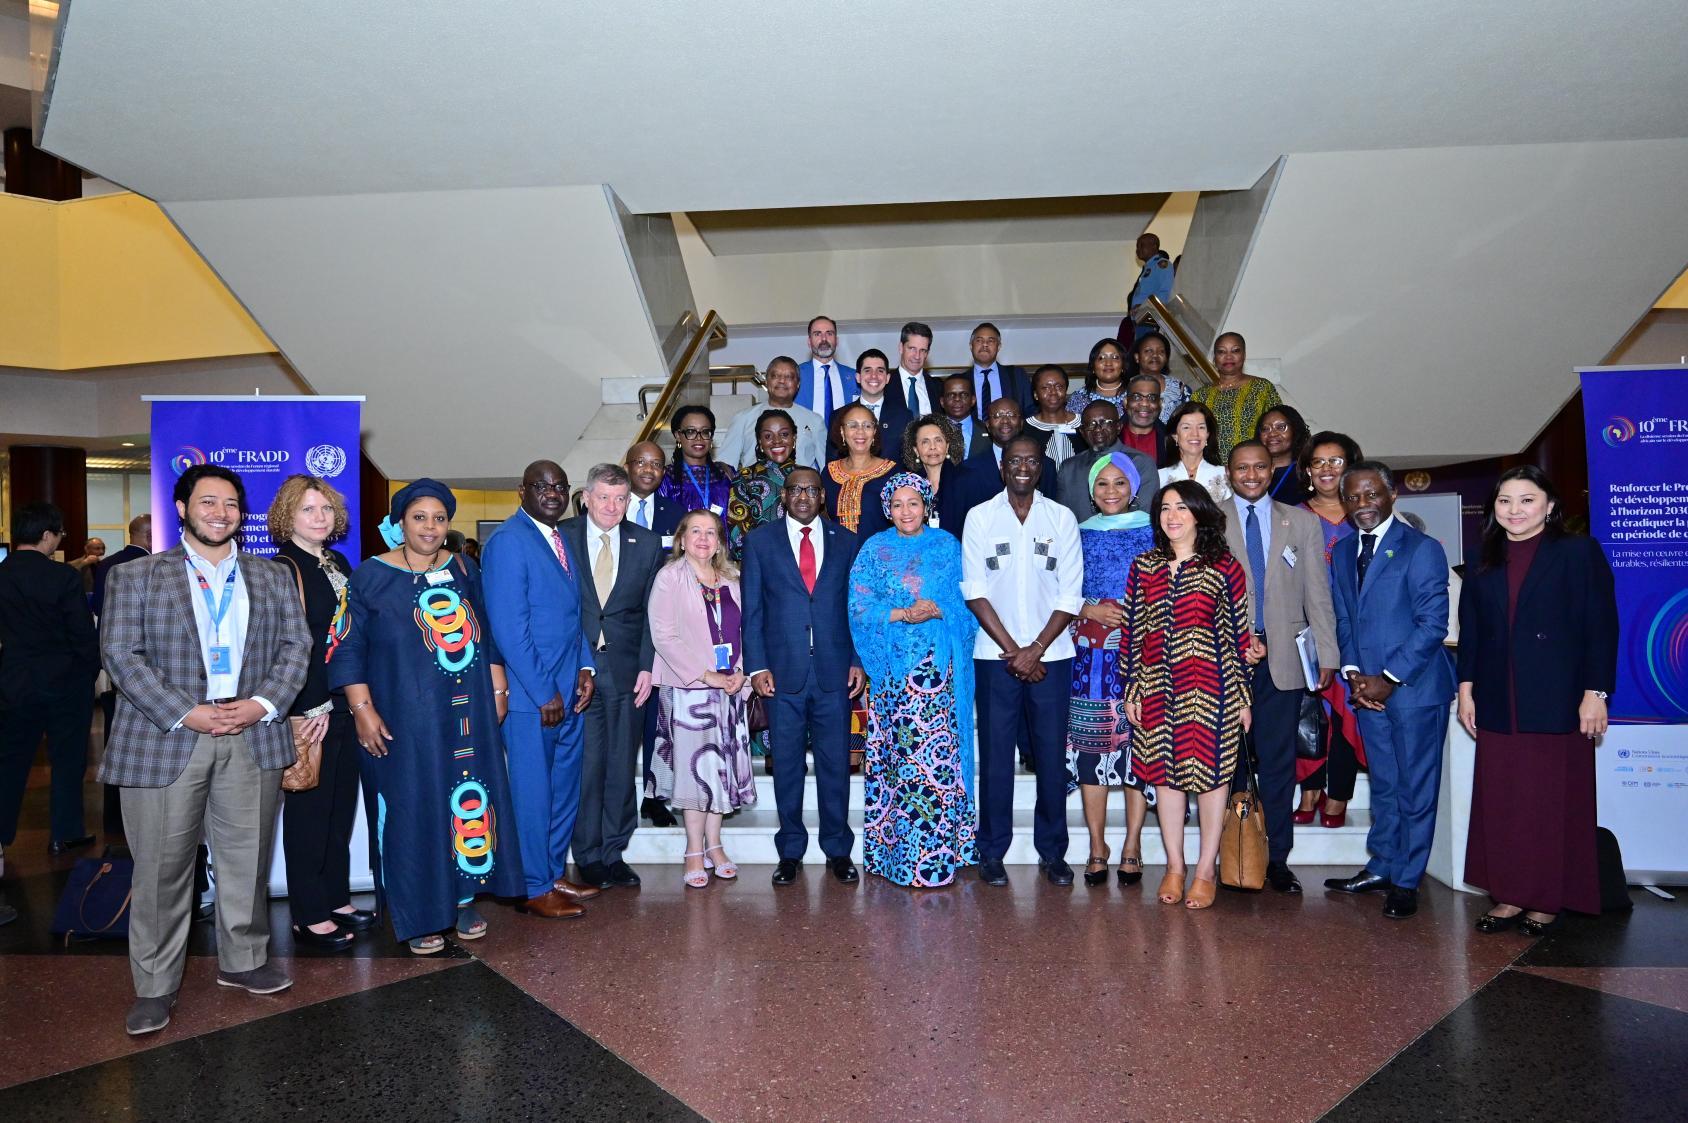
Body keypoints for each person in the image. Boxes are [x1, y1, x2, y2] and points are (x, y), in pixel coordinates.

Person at [99, 465, 310, 1035]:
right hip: (166, 736)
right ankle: (154, 987)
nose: (221, 513)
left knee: (247, 860)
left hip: (250, 732)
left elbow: (297, 646)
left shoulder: (269, 577)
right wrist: (184, 711)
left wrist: (264, 703)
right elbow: (122, 655)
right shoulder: (137, 576)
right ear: (183, 508)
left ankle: (243, 962)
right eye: (208, 502)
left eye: (232, 504)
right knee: (163, 872)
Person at [331, 479, 527, 953]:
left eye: (439, 518)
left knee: (467, 798)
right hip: (401, 717)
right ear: (400, 523)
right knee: (410, 807)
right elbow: (346, 647)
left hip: (466, 716)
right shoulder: (369, 576)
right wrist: (362, 709)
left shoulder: (463, 567)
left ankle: (459, 899)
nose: (431, 527)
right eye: (420, 517)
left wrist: (498, 687)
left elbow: (488, 631)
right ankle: (418, 913)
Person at [1459, 466, 1617, 936]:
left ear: (1549, 506)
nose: (1515, 511)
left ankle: (1546, 900)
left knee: (1549, 803)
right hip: (1498, 700)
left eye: (1527, 500)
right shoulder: (1485, 556)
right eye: (1505, 501)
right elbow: (1473, 629)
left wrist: (1596, 693)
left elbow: (1601, 626)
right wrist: (1465, 687)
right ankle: (1508, 895)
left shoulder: (1576, 552)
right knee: (1503, 802)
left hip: (1558, 699)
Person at [1324, 461, 1455, 921]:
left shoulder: (1421, 549)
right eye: (1353, 497)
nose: (1362, 505)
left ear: (1392, 494)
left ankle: (1406, 879)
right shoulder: (1341, 552)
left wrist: (1389, 678)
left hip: (1414, 689)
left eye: (1371, 495)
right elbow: (1345, 618)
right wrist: (1356, 673)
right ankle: (1381, 865)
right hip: (1365, 689)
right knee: (1384, 783)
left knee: (1416, 786)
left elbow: (1432, 625)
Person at [1123, 480, 1253, 910]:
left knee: (1212, 781)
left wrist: (1242, 697)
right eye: (1164, 509)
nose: (1172, 516)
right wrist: (1132, 690)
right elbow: (1133, 633)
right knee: (1165, 779)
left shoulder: (1224, 567)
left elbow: (1237, 637)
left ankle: (1204, 870)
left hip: (1211, 689)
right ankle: (1175, 867)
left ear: (1199, 514)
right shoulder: (1144, 566)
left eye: (1181, 507)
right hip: (1156, 687)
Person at [480, 462, 600, 920]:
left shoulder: (560, 537)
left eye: (559, 486)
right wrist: (544, 689)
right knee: (532, 792)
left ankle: (551, 872)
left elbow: (572, 616)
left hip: (570, 689)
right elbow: (510, 628)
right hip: (536, 698)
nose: (551, 493)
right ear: (521, 491)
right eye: (540, 486)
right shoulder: (509, 542)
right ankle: (531, 885)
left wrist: (585, 667)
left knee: (562, 789)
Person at [962, 436, 1083, 887]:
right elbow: (974, 589)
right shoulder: (980, 517)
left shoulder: (1061, 518)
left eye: (1032, 460)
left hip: (1053, 656)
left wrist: (1035, 649)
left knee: (1052, 757)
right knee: (995, 757)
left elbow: (1071, 593)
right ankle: (991, 851)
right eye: (1015, 460)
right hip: (995, 658)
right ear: (1002, 467)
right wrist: (1016, 651)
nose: (1023, 467)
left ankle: (1052, 852)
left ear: (1041, 467)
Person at [849, 472, 979, 887]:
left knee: (936, 767)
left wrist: (939, 610)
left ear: (927, 506)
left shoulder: (947, 546)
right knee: (900, 767)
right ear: (888, 509)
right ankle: (898, 858)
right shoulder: (874, 549)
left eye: (914, 503)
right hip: (892, 680)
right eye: (898, 504)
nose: (906, 511)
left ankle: (939, 856)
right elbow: (858, 608)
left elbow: (970, 603)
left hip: (938, 677)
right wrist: (903, 614)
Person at [1223, 441, 1340, 895]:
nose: (1251, 475)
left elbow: (1318, 593)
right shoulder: (1211, 518)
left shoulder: (1302, 521)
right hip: (1225, 661)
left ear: (1270, 471)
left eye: (1259, 467)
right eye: (1241, 468)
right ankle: (1232, 854)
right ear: (1228, 472)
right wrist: (1236, 641)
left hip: (1285, 661)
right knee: (1227, 766)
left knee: (1278, 764)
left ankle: (1276, 860)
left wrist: (1326, 654)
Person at [743, 467, 865, 886]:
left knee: (835, 765)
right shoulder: (760, 542)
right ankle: (790, 851)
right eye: (795, 489)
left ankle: (838, 850)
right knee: (788, 767)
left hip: (834, 673)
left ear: (822, 497)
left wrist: (856, 660)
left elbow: (855, 609)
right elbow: (753, 611)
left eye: (812, 490)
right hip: (782, 675)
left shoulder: (846, 542)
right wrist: (756, 666)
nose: (803, 497)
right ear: (785, 496)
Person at [269, 475, 370, 952]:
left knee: (338, 806)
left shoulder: (337, 562)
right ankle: (308, 913)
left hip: (346, 704)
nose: (319, 517)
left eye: (325, 508)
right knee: (309, 809)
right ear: (288, 516)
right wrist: (312, 704)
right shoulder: (282, 568)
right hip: (312, 708)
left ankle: (335, 897)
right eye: (308, 509)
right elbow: (289, 647)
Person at [561, 463, 664, 890]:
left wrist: (646, 665)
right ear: (586, 497)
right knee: (588, 766)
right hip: (575, 670)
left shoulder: (647, 543)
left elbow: (650, 614)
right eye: (603, 497)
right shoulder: (560, 537)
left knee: (622, 765)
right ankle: (587, 854)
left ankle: (614, 851)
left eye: (620, 499)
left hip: (625, 671)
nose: (612, 506)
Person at [647, 511, 756, 888]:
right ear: (681, 538)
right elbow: (664, 636)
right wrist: (706, 674)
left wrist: (740, 671)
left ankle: (715, 844)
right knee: (696, 773)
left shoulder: (732, 579)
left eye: (711, 532)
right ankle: (694, 849)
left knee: (719, 773)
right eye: (696, 531)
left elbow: (744, 629)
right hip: (689, 690)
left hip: (728, 691)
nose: (704, 539)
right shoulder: (669, 578)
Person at [1066, 455, 1157, 888]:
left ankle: (1132, 844)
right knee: (1092, 749)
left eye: (1119, 483)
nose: (1110, 491)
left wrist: (1137, 616)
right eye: (1101, 484)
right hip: (1090, 655)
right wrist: (1090, 609)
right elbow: (1060, 588)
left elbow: (1166, 588)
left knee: (1139, 750)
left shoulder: (1155, 530)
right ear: (1090, 490)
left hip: (1143, 653)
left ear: (1133, 487)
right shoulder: (1075, 532)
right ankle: (1097, 845)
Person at [0, 502, 100, 858]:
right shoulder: (63, 577)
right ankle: (65, 833)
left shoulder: (3, 574)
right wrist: (91, 671)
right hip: (66, 681)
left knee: (10, 761)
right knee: (68, 760)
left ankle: (2, 835)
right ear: (46, 536)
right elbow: (81, 633)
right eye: (59, 533)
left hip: (14, 681)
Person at [1295, 431, 1368, 827]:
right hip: (1307, 634)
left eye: (1335, 461)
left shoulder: (1367, 513)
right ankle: (1309, 790)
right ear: (1307, 470)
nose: (1326, 469)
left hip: (1356, 634)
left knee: (1345, 718)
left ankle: (1338, 796)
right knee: (1309, 716)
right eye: (1318, 462)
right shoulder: (1292, 515)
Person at [93, 513, 154, 833]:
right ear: (149, 535)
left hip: (116, 657)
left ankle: (115, 816)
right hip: (147, 660)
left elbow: (100, 608)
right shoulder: (149, 567)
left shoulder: (109, 564)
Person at [950, 398, 1060, 532]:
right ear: (988, 425)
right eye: (997, 416)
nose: (1005, 421)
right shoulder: (967, 469)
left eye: (1011, 415)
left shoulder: (1045, 464)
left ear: (1021, 423)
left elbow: (1052, 515)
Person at [1058, 399, 1157, 527]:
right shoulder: (1069, 468)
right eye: (1091, 424)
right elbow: (1063, 519)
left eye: (1105, 423)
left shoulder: (1141, 462)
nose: (1098, 429)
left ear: (1118, 427)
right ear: (1082, 432)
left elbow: (1145, 514)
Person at [716, 355, 826, 470]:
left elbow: (827, 469)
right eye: (775, 376)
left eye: (789, 377)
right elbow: (726, 466)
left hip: (800, 486)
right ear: (766, 381)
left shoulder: (815, 421)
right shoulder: (743, 418)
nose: (782, 381)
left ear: (798, 384)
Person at [1191, 331, 1282, 459]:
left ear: (1244, 355)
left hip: (1251, 464)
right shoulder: (1200, 395)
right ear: (1214, 358)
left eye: (1235, 351)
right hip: (1210, 467)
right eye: (1222, 352)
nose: (1228, 357)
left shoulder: (1262, 388)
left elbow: (1278, 427)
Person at [726, 408, 801, 560]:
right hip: (761, 565)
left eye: (784, 434)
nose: (777, 441)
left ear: (794, 438)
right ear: (760, 441)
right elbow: (737, 536)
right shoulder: (745, 477)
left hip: (804, 564)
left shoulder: (807, 476)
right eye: (768, 436)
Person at [823, 402, 898, 538]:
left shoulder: (893, 473)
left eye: (867, 425)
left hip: (881, 556)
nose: (860, 431)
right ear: (842, 432)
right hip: (838, 556)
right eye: (853, 425)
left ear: (874, 432)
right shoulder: (829, 472)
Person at [658, 405, 736, 518]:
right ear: (678, 436)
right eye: (690, 431)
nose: (699, 438)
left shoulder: (726, 474)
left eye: (705, 432)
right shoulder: (666, 478)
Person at [899, 413, 967, 532]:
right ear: (916, 450)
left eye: (938, 440)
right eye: (925, 442)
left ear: (947, 447)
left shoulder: (966, 481)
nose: (932, 447)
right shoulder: (908, 485)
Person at [1159, 401, 1231, 503]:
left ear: (1208, 434)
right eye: (1186, 427)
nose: (1195, 434)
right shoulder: (1159, 476)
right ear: (1175, 436)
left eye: (1201, 427)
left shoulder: (1225, 474)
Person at [796, 315, 858, 425]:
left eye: (829, 333)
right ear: (809, 342)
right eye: (817, 334)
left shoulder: (854, 377)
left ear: (837, 340)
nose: (824, 339)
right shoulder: (795, 374)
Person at [852, 347, 914, 456]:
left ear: (887, 378)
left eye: (880, 371)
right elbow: (832, 465)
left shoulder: (904, 416)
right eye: (867, 370)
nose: (874, 376)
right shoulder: (840, 416)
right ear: (858, 377)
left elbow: (910, 461)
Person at [965, 322, 1032, 420]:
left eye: (990, 341)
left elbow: (1030, 410)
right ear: (971, 346)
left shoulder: (1017, 375)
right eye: (979, 340)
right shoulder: (962, 380)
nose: (985, 345)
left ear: (999, 347)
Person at [92, 514, 152, 618]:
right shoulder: (152, 565)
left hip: (106, 631)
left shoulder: (106, 562)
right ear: (149, 536)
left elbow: (98, 607)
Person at [624, 440, 681, 545]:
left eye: (656, 464)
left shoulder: (676, 512)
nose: (649, 469)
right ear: (627, 468)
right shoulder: (608, 507)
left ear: (663, 473)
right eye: (641, 462)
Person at [1023, 364, 1081, 466]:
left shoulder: (1083, 424)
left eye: (1059, 386)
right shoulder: (1024, 428)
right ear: (1036, 395)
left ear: (1066, 390)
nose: (1053, 392)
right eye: (1045, 387)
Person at [1255, 404, 1311, 503]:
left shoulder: (1307, 474)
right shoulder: (1250, 473)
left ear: (1295, 430)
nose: (1272, 434)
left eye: (1281, 427)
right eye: (1265, 429)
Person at [1132, 329, 1189, 424]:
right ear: (1137, 357)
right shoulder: (1125, 388)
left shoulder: (1181, 389)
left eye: (1161, 351)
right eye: (1148, 351)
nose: (1155, 355)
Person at [1066, 337, 1131, 420]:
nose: (1108, 363)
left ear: (1123, 365)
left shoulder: (1134, 395)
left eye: (1115, 357)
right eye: (1101, 358)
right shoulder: (1079, 398)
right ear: (1093, 366)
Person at [1118, 371, 1168, 464]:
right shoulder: (1110, 436)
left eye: (1152, 398)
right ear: (1125, 402)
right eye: (1136, 397)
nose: (1144, 403)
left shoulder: (1170, 438)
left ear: (1160, 404)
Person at [937, 374, 990, 458]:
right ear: (942, 402)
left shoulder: (988, 431)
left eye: (964, 395)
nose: (957, 399)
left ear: (973, 400)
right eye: (951, 395)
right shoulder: (932, 431)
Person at [892, 321, 938, 418]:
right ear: (901, 348)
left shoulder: (938, 387)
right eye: (912, 348)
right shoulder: (885, 385)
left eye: (922, 350)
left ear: (927, 353)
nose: (917, 356)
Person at [1128, 232, 1175, 316]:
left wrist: (1144, 307)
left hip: (1152, 317)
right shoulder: (1148, 267)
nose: (1138, 249)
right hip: (1141, 318)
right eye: (1137, 247)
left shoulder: (1162, 265)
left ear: (1154, 246)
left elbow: (1165, 292)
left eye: (1141, 245)